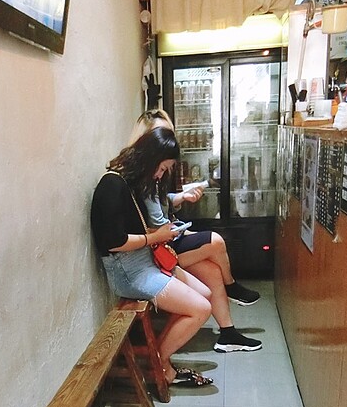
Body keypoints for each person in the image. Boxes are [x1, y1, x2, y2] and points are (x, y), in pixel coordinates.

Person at [129, 110, 262, 352]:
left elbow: (159, 206)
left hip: (163, 240)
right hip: (156, 249)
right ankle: (232, 287)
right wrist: (180, 228)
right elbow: (157, 222)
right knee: (216, 241)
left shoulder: (154, 171)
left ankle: (228, 334)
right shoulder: (144, 174)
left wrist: (178, 198)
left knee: (212, 270)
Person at [90, 128, 214, 387]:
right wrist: (155, 237)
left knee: (205, 294)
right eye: (161, 168)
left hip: (145, 261)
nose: (159, 175)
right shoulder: (112, 185)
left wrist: (160, 234)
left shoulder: (131, 183)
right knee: (201, 308)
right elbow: (115, 242)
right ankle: (160, 363)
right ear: (149, 159)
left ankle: (158, 358)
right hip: (129, 273)